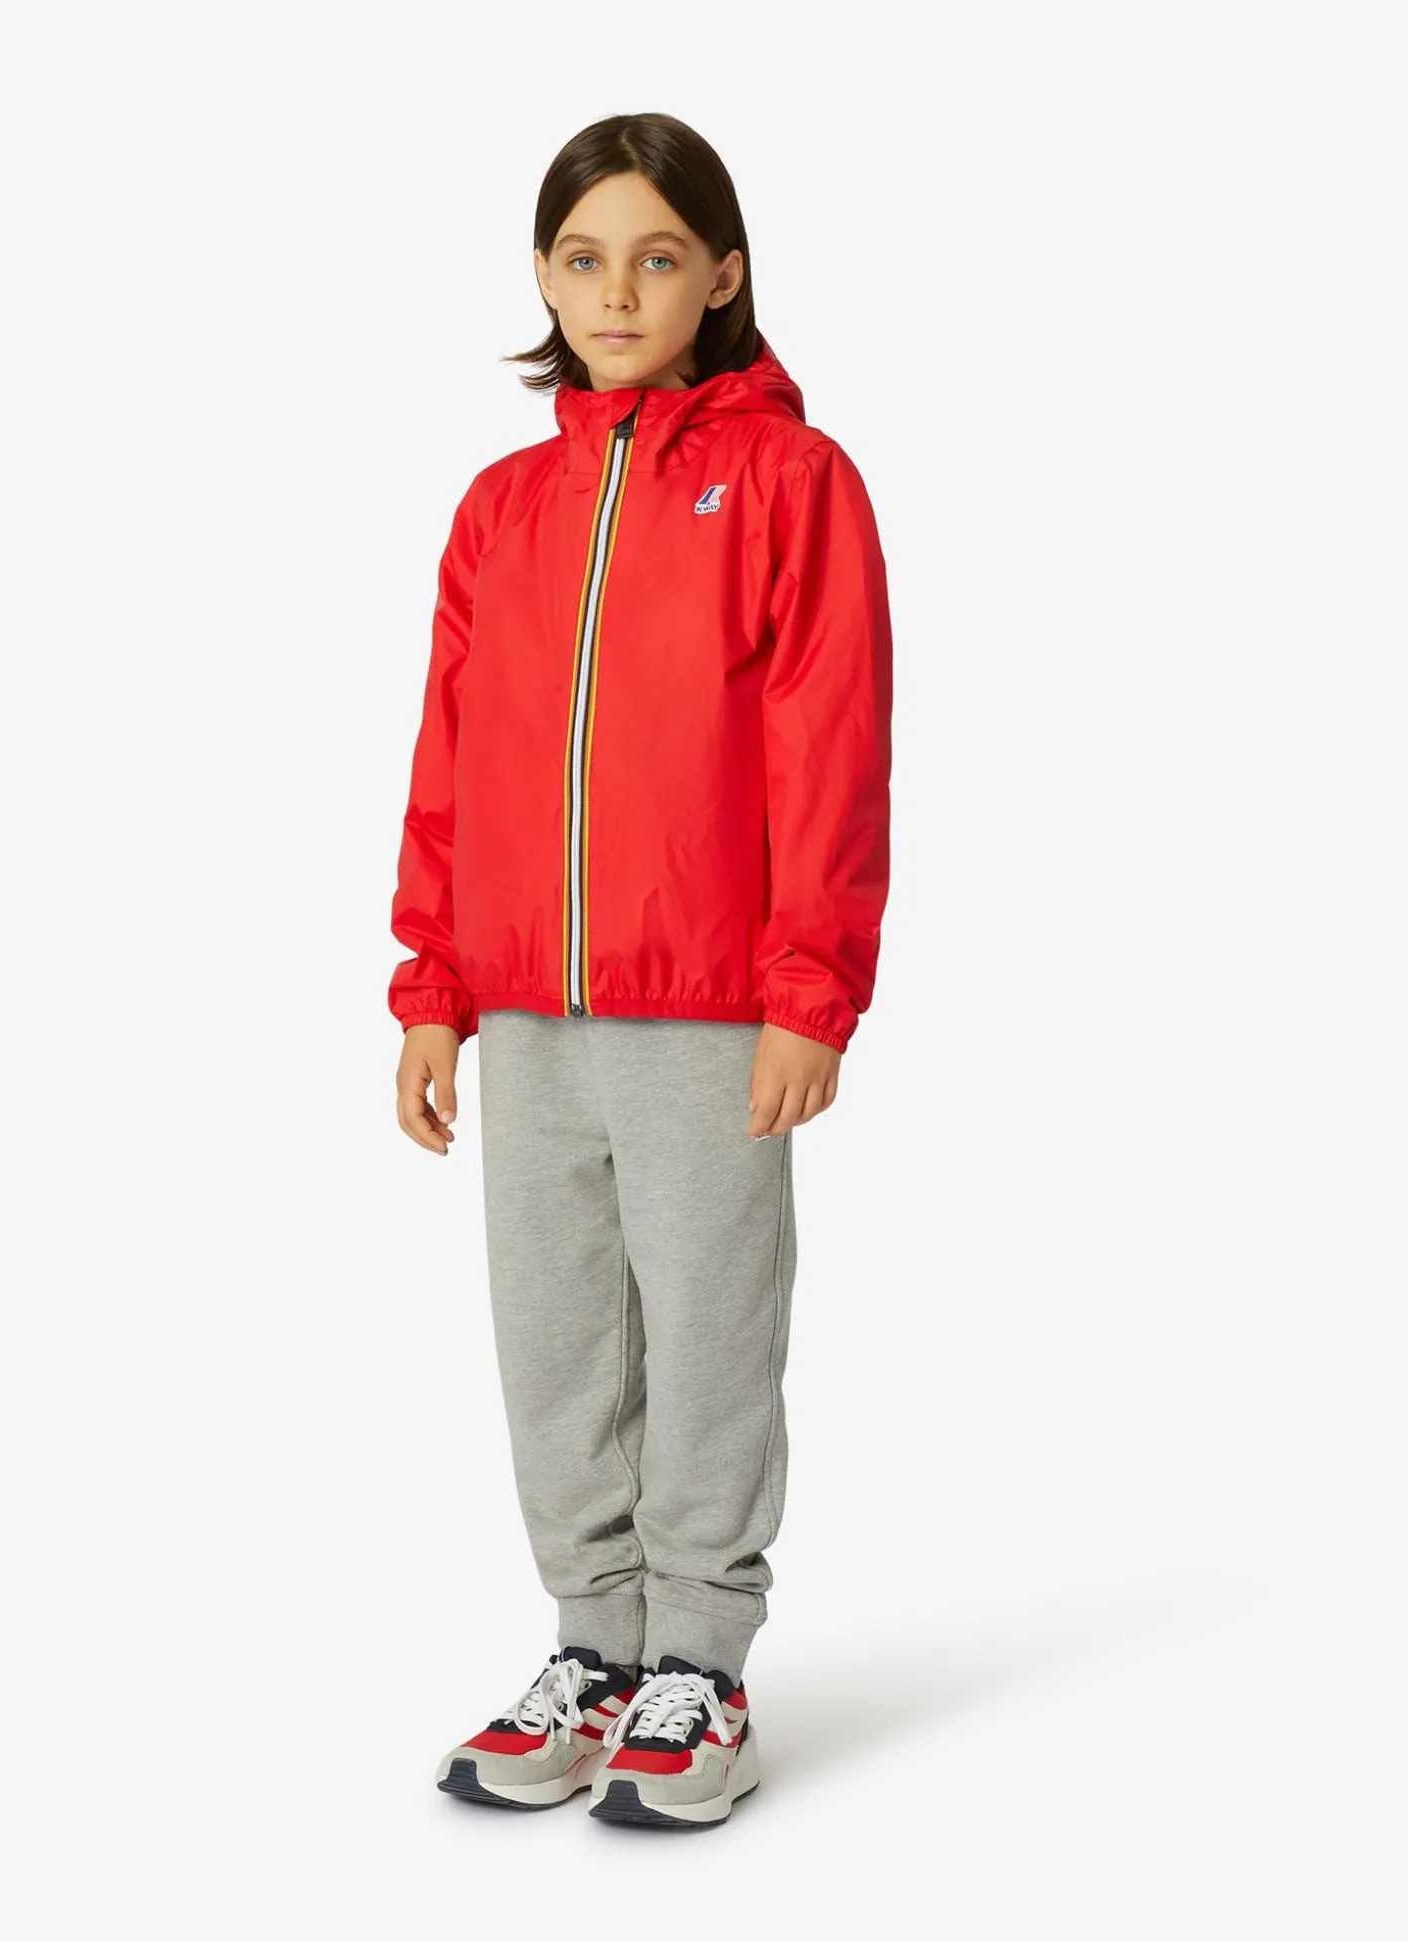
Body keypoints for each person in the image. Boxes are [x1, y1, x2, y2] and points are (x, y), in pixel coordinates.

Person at [386, 111, 894, 1829]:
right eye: (585, 259)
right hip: (530, 1008)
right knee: (555, 1344)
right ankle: (594, 1651)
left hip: (708, 1010)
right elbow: (452, 755)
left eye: (657, 257)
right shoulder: (503, 508)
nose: (617, 292)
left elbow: (831, 744)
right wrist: (432, 985)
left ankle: (702, 1667)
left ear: (722, 275)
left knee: (709, 1336)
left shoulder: (793, 484)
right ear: (544, 277)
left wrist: (809, 990)